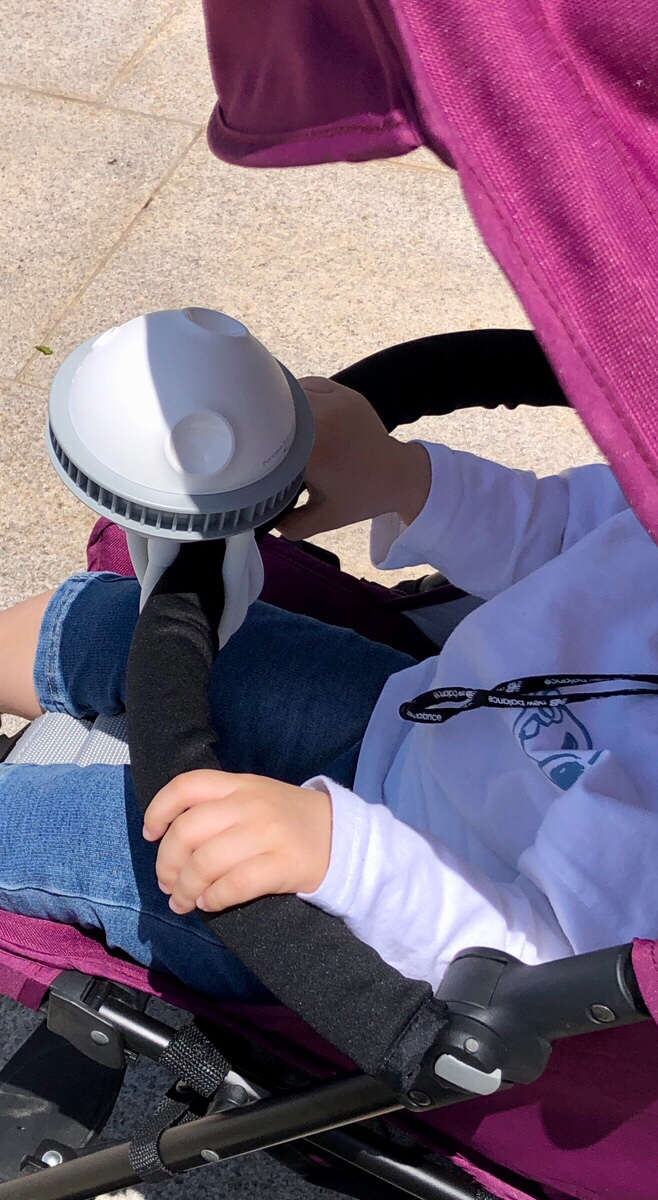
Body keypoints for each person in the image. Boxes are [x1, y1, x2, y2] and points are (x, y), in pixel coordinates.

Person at [1, 375, 657, 1000]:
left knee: (53, 823)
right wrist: (406, 480)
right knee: (123, 625)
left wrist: (345, 858)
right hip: (406, 722)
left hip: (359, 923)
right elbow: (575, 530)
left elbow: (545, 964)